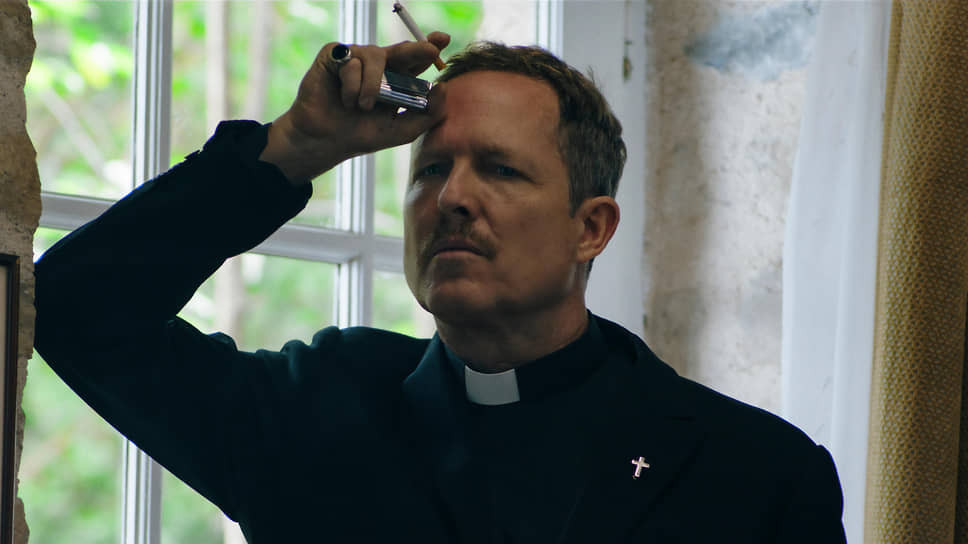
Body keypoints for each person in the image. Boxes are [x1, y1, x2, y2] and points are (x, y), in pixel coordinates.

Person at [33, 32, 846, 543]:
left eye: (500, 169)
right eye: (430, 170)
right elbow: (69, 308)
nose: (451, 197)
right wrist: (295, 146)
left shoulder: (756, 475)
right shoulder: (310, 412)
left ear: (591, 228)